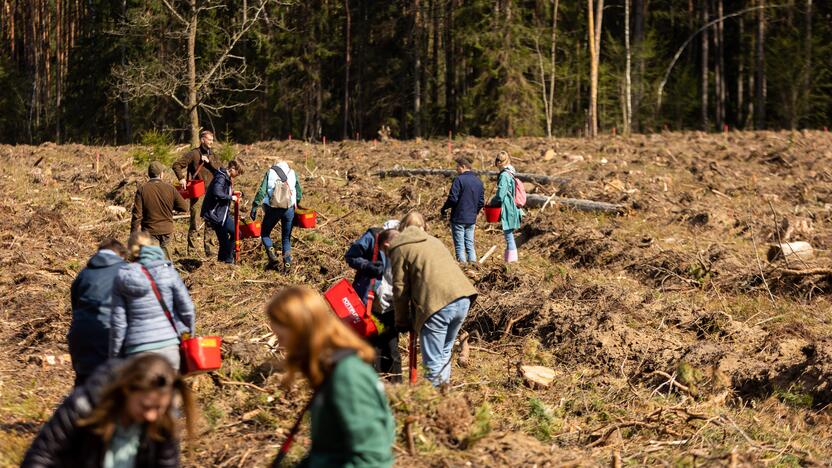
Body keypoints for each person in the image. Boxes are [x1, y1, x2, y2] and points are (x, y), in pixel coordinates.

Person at [266, 286, 395, 466]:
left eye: (282, 336)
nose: (280, 345)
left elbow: (372, 458)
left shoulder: (348, 375)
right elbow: (327, 452)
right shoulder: (330, 370)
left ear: (301, 330)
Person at [21, 354, 195, 468]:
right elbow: (40, 457)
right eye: (145, 406)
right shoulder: (84, 407)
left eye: (159, 408)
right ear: (127, 390)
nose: (151, 415)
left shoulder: (162, 423)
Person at [385, 215, 478, 386]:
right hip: (463, 297)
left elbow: (400, 288)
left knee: (433, 362)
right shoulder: (435, 241)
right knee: (444, 352)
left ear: (402, 228)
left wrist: (402, 321)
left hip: (436, 304)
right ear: (423, 227)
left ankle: (436, 406)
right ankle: (445, 398)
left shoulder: (399, 247)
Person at [110, 232, 195, 371]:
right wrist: (188, 336)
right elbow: (187, 309)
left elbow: (118, 323)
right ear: (150, 245)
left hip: (136, 349)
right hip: (169, 346)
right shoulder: (168, 271)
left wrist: (115, 357)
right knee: (168, 391)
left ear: (131, 249)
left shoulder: (123, 276)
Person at [345, 221, 401, 382]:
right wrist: (368, 266)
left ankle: (398, 389)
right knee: (371, 346)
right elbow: (351, 256)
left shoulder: (406, 243)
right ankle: (372, 384)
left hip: (393, 303)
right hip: (371, 301)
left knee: (392, 349)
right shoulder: (372, 236)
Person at [68, 238, 128, 387]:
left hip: (80, 335)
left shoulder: (83, 274)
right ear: (120, 255)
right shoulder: (126, 271)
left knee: (84, 384)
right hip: (110, 334)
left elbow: (75, 307)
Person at [172, 130, 219, 257]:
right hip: (198, 194)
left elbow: (220, 170)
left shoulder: (213, 155)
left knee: (210, 222)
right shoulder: (194, 154)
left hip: (212, 193)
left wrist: (209, 161)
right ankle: (192, 251)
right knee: (195, 222)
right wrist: (181, 178)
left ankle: (209, 249)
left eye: (212, 140)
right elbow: (176, 165)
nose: (211, 142)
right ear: (202, 140)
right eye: (209, 140)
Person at [250, 160, 301, 271]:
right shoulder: (293, 172)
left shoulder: (270, 172)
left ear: (275, 165)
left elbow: (261, 191)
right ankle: (287, 265)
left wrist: (254, 207)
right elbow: (299, 192)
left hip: (273, 208)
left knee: (264, 234)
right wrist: (297, 204)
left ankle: (272, 254)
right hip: (289, 209)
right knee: (286, 238)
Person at [130, 161, 189, 259]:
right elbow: (184, 207)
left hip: (150, 231)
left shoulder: (142, 190)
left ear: (149, 174)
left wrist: (133, 234)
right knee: (166, 262)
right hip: (167, 230)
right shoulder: (170, 188)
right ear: (161, 174)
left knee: (153, 262)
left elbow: (137, 215)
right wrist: (170, 204)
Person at [440, 156, 484, 264]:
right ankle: (473, 264)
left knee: (459, 244)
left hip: (458, 217)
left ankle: (463, 267)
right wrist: (475, 212)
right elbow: (481, 202)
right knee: (469, 243)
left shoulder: (459, 180)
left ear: (463, 166)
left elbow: (452, 198)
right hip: (471, 218)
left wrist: (444, 208)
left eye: (457, 167)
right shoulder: (478, 181)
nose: (456, 170)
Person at [201, 160, 244, 264]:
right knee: (230, 237)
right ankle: (227, 261)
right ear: (232, 168)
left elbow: (222, 191)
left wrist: (233, 193)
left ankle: (224, 261)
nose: (238, 175)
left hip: (221, 213)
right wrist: (231, 197)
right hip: (215, 214)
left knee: (231, 237)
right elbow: (217, 192)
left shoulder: (225, 176)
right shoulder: (221, 177)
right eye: (238, 172)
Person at [491, 151, 522, 263]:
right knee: (509, 235)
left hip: (508, 207)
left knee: (508, 236)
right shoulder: (511, 172)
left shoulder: (504, 175)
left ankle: (511, 263)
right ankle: (509, 261)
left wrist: (491, 202)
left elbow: (500, 195)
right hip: (513, 207)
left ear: (498, 162)